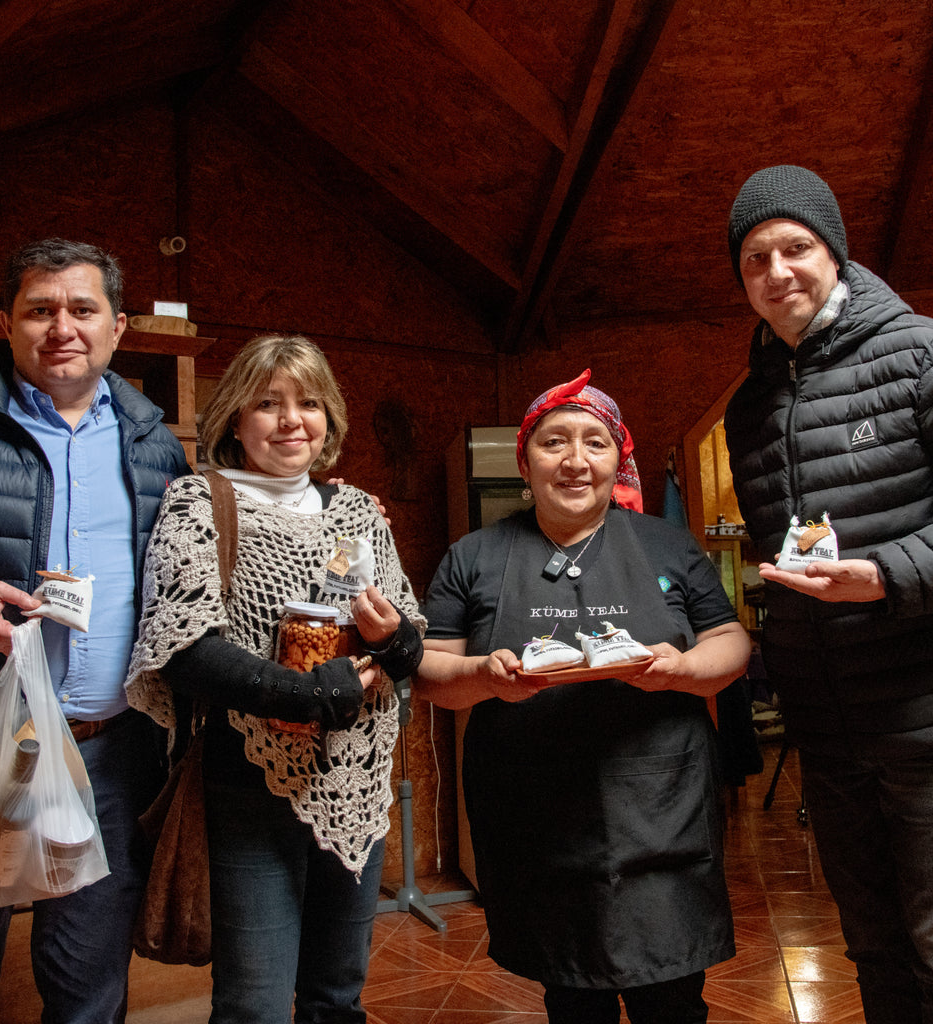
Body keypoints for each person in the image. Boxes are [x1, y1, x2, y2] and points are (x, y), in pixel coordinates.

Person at [0, 238, 190, 1024]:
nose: (61, 326)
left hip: (107, 759)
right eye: (40, 309)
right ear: (5, 323)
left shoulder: (156, 446)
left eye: (82, 308)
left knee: (88, 994)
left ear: (118, 326)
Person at [415, 370, 750, 1024]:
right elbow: (430, 674)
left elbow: (731, 643)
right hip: (536, 818)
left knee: (674, 999)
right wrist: (487, 676)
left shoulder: (669, 545)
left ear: (616, 457)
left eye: (594, 443)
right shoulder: (474, 556)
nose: (574, 461)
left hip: (664, 810)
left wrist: (680, 669)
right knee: (572, 998)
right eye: (553, 443)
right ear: (525, 461)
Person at [124, 333, 424, 1024]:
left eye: (309, 403)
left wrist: (393, 638)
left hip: (356, 780)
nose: (292, 420)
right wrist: (313, 695)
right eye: (269, 403)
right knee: (253, 1007)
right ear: (236, 418)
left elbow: (409, 643)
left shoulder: (356, 513)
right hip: (247, 788)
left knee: (336, 999)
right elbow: (184, 648)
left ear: (330, 419)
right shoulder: (199, 504)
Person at [724, 164, 933, 1024]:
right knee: (873, 944)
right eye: (754, 260)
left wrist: (885, 576)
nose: (777, 272)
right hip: (828, 728)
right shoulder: (749, 408)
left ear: (835, 253)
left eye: (795, 248)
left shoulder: (920, 352)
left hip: (923, 713)